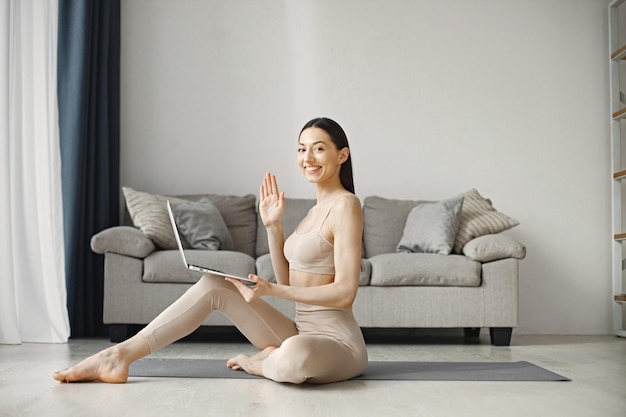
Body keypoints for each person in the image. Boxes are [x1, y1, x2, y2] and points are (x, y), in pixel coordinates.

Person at [53, 117, 367, 384]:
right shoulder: (314, 211)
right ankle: (119, 355)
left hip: (335, 343)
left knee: (295, 357)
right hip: (297, 332)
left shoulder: (345, 206)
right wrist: (274, 227)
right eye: (301, 149)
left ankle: (258, 363)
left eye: (319, 148)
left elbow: (344, 294)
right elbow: (291, 281)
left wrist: (274, 290)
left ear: (342, 155)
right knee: (215, 285)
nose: (307, 157)